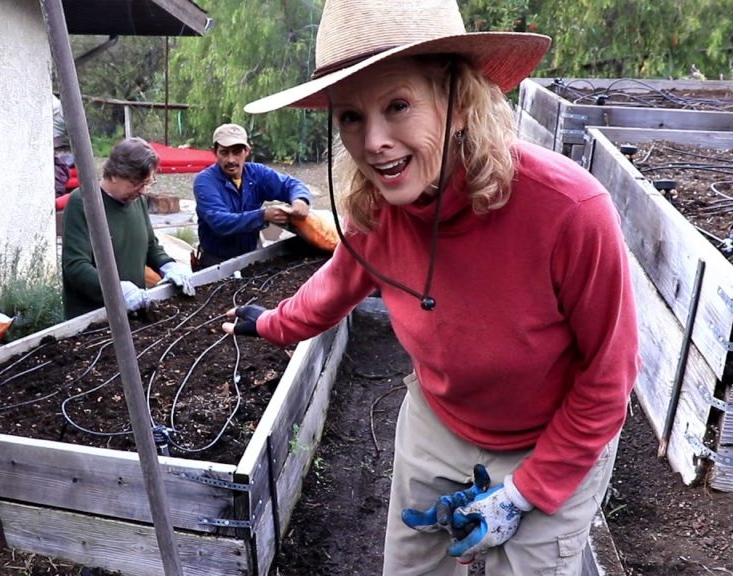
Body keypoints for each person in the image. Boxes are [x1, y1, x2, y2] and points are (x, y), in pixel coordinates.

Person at [225, 1, 640, 575]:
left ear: (460, 103)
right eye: (349, 116)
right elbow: (334, 286)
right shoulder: (377, 212)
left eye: (398, 105)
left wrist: (524, 492)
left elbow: (609, 377)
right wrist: (268, 323)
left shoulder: (569, 212)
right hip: (439, 420)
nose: (373, 142)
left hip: (553, 435)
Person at [62, 137, 195, 319]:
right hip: (93, 320)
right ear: (115, 174)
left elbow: (150, 247)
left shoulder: (137, 200)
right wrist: (116, 289)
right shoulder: (84, 202)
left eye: (147, 182)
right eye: (137, 183)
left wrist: (169, 266)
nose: (143, 191)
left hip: (132, 313)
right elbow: (75, 267)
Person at [192, 123, 313, 268]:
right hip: (216, 261)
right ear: (215, 152)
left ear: (247, 151)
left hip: (250, 257)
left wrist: (300, 200)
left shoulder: (257, 173)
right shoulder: (205, 181)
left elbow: (290, 185)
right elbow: (220, 222)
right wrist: (262, 216)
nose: (231, 160)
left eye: (237, 152)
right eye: (224, 152)